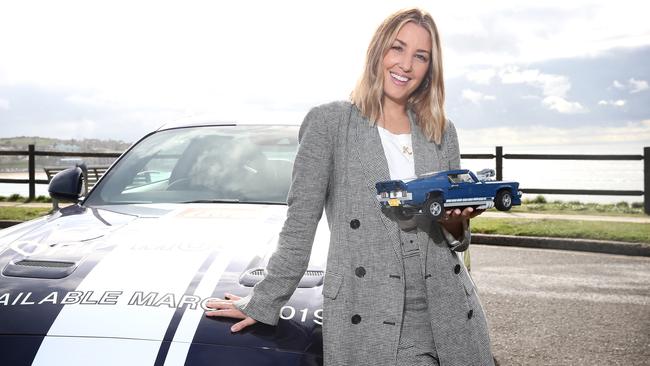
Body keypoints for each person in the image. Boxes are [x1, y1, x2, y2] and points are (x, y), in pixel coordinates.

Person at [205, 8, 495, 366]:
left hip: (449, 309)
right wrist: (265, 300)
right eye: (397, 48)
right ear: (377, 51)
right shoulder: (330, 123)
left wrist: (456, 221)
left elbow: (457, 239)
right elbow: (300, 223)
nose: (406, 64)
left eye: (420, 56)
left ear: (430, 69)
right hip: (370, 307)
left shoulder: (441, 130)